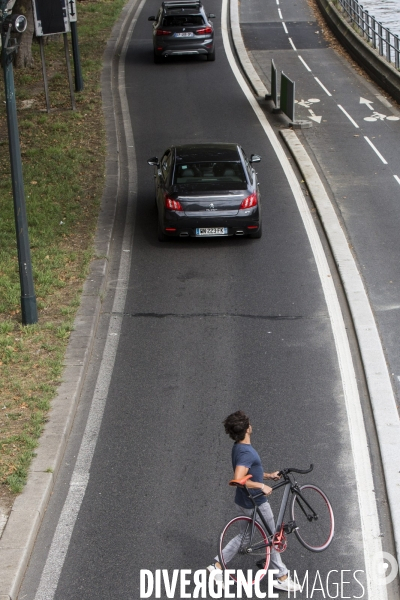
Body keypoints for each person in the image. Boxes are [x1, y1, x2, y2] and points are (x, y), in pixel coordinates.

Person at [207, 410, 301, 593]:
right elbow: (237, 478)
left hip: (243, 501)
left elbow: (249, 471)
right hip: (255, 502)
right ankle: (282, 577)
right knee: (273, 538)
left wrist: (267, 476)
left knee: (245, 537)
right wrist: (260, 486)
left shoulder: (238, 447)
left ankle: (217, 566)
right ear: (248, 429)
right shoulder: (246, 452)